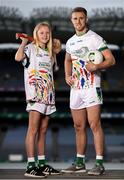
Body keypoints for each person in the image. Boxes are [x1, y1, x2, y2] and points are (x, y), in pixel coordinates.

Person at [62, 7, 116, 175]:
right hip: (76, 88)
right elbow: (67, 59)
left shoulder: (95, 38)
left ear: (86, 19)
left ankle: (99, 163)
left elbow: (111, 60)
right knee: (78, 126)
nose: (78, 21)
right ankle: (79, 163)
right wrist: (67, 75)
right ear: (71, 21)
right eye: (75, 18)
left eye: (81, 18)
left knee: (94, 125)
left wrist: (97, 66)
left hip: (92, 87)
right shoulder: (70, 41)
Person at [15, 22, 60, 178]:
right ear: (36, 34)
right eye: (42, 33)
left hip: (48, 95)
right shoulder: (31, 48)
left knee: (43, 130)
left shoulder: (49, 53)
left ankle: (41, 164)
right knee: (33, 130)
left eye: (47, 33)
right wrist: (24, 42)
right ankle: (30, 166)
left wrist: (55, 52)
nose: (45, 35)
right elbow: (18, 57)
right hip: (35, 94)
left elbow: (52, 70)